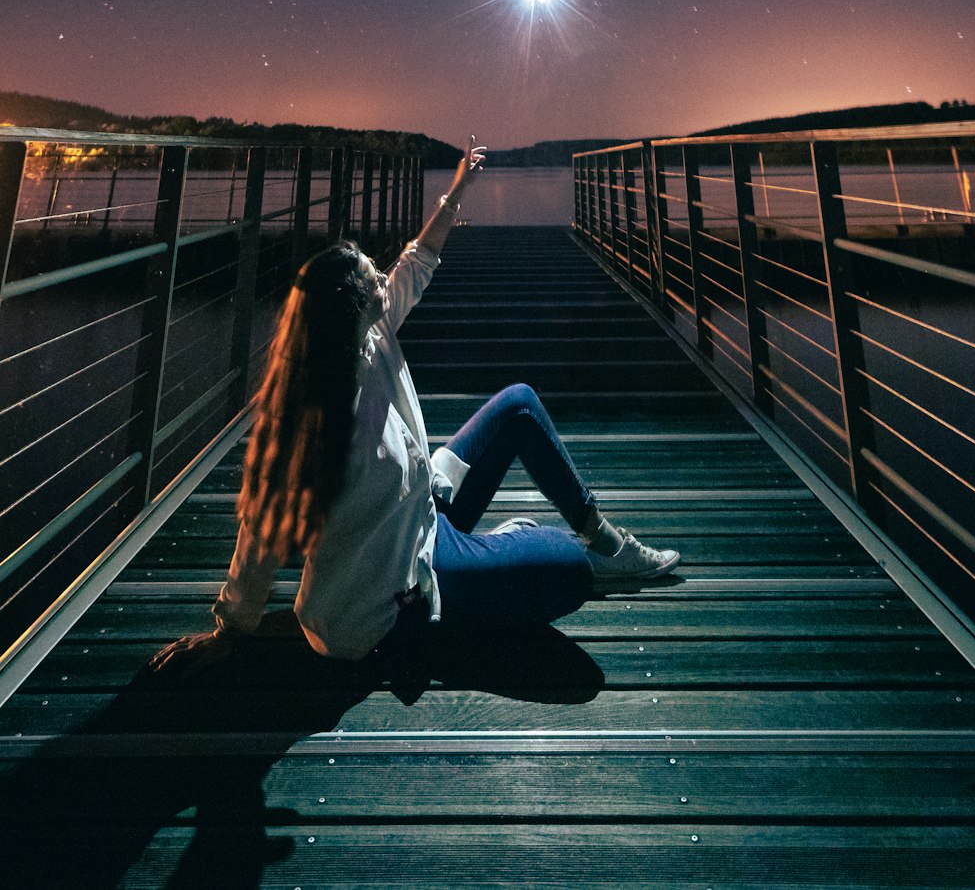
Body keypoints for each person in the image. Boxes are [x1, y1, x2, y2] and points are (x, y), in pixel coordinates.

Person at [150, 137, 680, 676]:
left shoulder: (368, 337)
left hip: (425, 516)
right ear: (352, 308)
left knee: (518, 403)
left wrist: (457, 189)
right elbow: (259, 534)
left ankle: (606, 542)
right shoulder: (312, 421)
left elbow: (417, 262)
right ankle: (505, 557)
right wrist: (229, 630)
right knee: (569, 570)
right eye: (370, 278)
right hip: (400, 596)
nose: (383, 277)